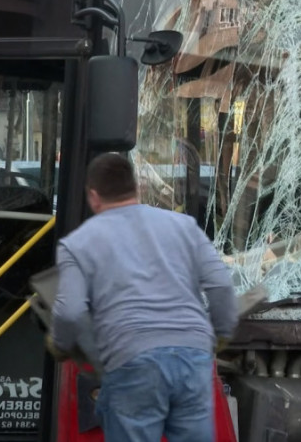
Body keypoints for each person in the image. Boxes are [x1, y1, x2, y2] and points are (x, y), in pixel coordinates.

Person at [50, 152, 238, 442]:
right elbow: (221, 286)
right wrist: (222, 332)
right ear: (137, 189)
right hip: (193, 356)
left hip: (131, 359)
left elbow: (70, 312)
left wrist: (60, 343)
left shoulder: (76, 244)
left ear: (94, 196)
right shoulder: (184, 226)